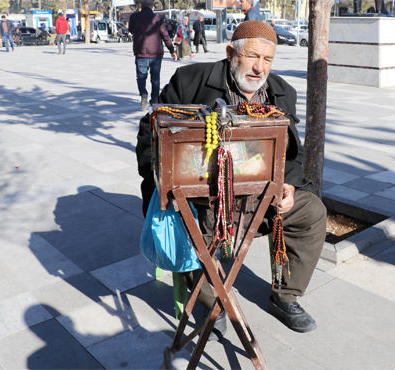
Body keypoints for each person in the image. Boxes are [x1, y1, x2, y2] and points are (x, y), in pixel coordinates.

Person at [136, 21, 327, 338]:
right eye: (253, 56)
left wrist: (290, 185)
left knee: (311, 213)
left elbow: (295, 152)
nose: (259, 67)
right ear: (230, 53)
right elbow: (150, 133)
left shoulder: (282, 92)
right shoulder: (190, 81)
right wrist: (164, 182)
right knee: (196, 228)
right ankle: (212, 304)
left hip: (261, 196)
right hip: (203, 196)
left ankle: (285, 296)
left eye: (267, 60)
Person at [129, 0, 177, 111]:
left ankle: (143, 94)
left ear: (140, 5)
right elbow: (165, 35)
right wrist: (171, 50)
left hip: (141, 52)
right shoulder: (158, 19)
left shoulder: (134, 17)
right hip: (156, 54)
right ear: (152, 5)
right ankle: (154, 100)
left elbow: (131, 30)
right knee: (155, 79)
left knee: (141, 77)